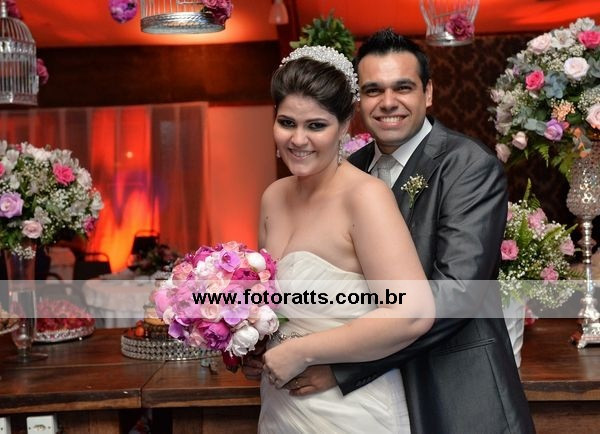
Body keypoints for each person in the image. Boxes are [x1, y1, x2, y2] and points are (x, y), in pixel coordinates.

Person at [246, 30, 535, 433]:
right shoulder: (343, 167)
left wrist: (340, 367)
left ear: (428, 92)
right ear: (358, 104)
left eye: (402, 87)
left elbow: (455, 294)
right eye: (373, 90)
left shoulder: (469, 165)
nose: (387, 102)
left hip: (450, 385)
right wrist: (254, 337)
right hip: (313, 396)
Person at [256, 45, 435, 432]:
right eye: (287, 122)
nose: (298, 139)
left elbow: (413, 313)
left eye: (316, 126)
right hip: (281, 408)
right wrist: (252, 343)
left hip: (352, 410)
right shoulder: (273, 197)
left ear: (344, 127)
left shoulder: (365, 197)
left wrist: (302, 352)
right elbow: (272, 307)